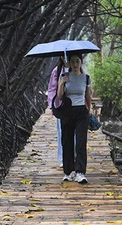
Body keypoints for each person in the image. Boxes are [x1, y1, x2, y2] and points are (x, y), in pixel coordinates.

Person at [56, 53, 92, 184]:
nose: (75, 64)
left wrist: (89, 110)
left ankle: (80, 172)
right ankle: (68, 172)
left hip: (82, 112)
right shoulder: (65, 77)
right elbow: (60, 97)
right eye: (73, 62)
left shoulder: (86, 78)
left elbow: (88, 96)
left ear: (81, 63)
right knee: (67, 141)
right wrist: (61, 84)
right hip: (67, 111)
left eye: (78, 61)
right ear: (69, 63)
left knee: (81, 143)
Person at [47, 57, 69, 167]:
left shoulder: (77, 69)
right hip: (61, 105)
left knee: (74, 134)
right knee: (62, 132)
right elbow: (51, 89)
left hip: (75, 105)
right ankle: (62, 159)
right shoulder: (57, 71)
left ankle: (73, 156)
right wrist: (52, 104)